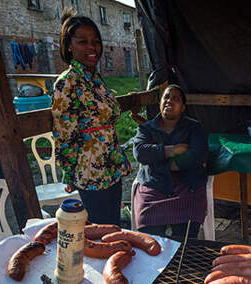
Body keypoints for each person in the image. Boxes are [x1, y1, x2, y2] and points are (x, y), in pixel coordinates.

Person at [51, 8, 131, 226]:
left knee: (114, 225)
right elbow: (64, 133)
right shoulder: (68, 82)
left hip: (111, 164)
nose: (92, 47)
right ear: (69, 45)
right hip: (91, 170)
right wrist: (69, 173)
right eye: (83, 42)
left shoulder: (95, 79)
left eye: (95, 41)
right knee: (101, 229)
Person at [132, 84, 208, 238]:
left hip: (187, 187)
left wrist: (161, 162)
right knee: (150, 239)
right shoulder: (146, 129)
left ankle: (180, 260)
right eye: (166, 97)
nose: (169, 101)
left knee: (185, 239)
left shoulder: (194, 127)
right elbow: (140, 153)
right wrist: (171, 150)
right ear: (160, 103)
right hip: (154, 186)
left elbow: (197, 155)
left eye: (176, 99)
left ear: (183, 107)